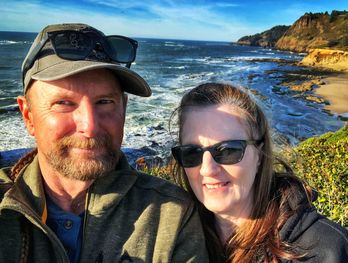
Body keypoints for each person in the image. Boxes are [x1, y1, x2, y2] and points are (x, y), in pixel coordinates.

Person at [0, 23, 208, 263]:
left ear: (124, 108)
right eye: (64, 103)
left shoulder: (169, 215)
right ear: (28, 115)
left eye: (105, 101)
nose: (90, 126)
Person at [171, 82, 348, 262]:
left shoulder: (327, 251)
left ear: (259, 154)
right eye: (191, 153)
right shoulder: (172, 243)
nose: (207, 169)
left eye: (228, 150)